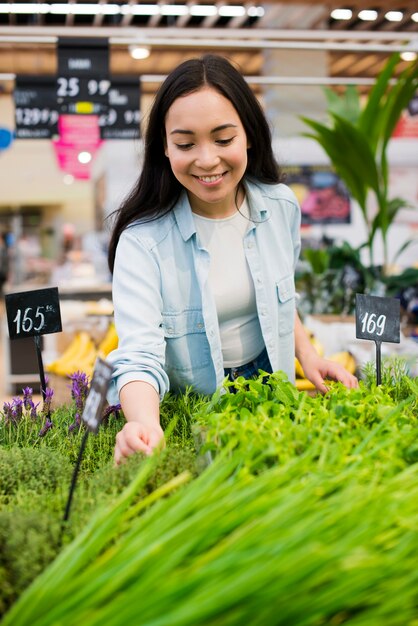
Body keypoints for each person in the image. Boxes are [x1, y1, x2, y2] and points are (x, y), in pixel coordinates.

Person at [107, 54, 358, 465]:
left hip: (270, 386)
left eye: (223, 139)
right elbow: (139, 355)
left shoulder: (280, 207)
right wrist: (144, 423)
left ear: (250, 136)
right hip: (195, 403)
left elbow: (281, 294)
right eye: (186, 144)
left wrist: (307, 355)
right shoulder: (143, 243)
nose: (207, 160)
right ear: (165, 149)